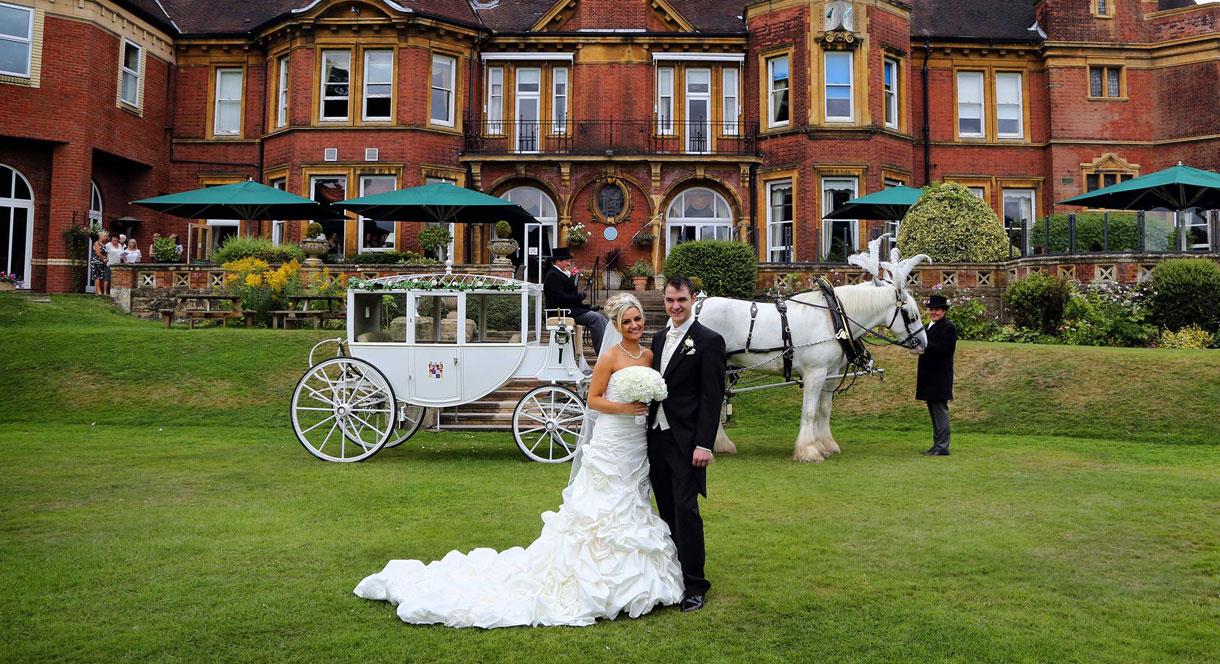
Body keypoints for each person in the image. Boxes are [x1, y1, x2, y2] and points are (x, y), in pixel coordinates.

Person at [354, 293, 684, 627]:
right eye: (626, 321)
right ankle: (593, 574)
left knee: (633, 499)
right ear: (615, 324)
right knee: (601, 504)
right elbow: (595, 400)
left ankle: (635, 574)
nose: (633, 325)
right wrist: (625, 408)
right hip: (612, 439)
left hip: (636, 442)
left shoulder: (649, 356)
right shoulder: (609, 357)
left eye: (637, 319)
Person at [647, 276, 726, 612]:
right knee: (665, 510)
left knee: (686, 511)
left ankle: (696, 584)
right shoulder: (659, 337)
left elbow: (712, 397)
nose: (676, 306)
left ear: (693, 298)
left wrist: (704, 444)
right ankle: (673, 575)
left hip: (687, 441)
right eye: (669, 301)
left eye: (681, 300)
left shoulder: (709, 341)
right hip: (655, 437)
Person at [915, 293, 957, 456]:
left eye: (937, 309)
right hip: (928, 375)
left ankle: (942, 446)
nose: (934, 312)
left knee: (940, 411)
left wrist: (924, 346)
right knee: (933, 411)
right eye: (932, 309)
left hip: (940, 376)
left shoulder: (948, 327)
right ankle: (937, 444)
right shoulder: (927, 327)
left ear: (944, 311)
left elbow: (943, 349)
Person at [542, 247, 607, 351]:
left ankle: (608, 349)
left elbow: (568, 299)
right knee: (596, 318)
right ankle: (602, 352)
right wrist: (579, 296)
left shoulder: (559, 274)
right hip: (561, 312)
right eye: (567, 261)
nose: (569, 264)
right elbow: (560, 298)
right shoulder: (553, 275)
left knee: (602, 317)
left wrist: (587, 306)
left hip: (569, 310)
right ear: (558, 261)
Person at [90, 230, 110, 295]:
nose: (106, 237)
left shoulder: (104, 245)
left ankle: (97, 291)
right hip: (96, 261)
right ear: (100, 236)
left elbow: (105, 253)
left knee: (101, 276)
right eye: (104, 236)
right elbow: (98, 253)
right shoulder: (97, 243)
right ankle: (99, 291)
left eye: (106, 236)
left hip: (102, 262)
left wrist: (107, 258)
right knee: (97, 276)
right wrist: (103, 258)